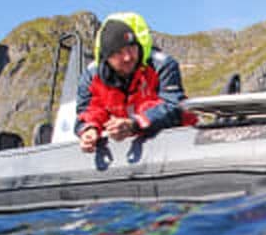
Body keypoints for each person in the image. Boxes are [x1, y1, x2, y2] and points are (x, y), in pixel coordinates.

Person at [74, 12, 197, 152]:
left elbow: (173, 107)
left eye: (131, 48)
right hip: (131, 150)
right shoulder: (91, 77)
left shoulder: (162, 65)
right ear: (106, 57)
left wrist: (135, 123)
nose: (127, 57)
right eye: (118, 52)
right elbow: (89, 110)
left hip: (176, 143)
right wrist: (89, 129)